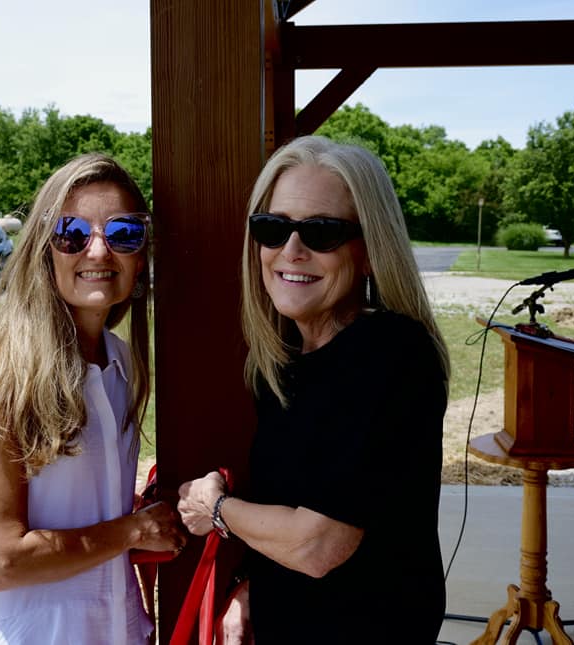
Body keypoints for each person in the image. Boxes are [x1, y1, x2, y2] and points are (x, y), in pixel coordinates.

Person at [177, 135, 450, 644]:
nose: (291, 251)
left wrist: (214, 508)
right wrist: (250, 586)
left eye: (321, 232)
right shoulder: (282, 363)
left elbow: (319, 544)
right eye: (272, 228)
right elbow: (293, 504)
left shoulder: (391, 353)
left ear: (370, 251)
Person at [0, 153, 187, 644]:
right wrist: (133, 530)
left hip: (112, 627)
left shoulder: (121, 363)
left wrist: (132, 509)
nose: (98, 252)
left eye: (124, 234)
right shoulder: (0, 371)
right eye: (72, 233)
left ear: (142, 257)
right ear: (43, 249)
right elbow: (2, 560)